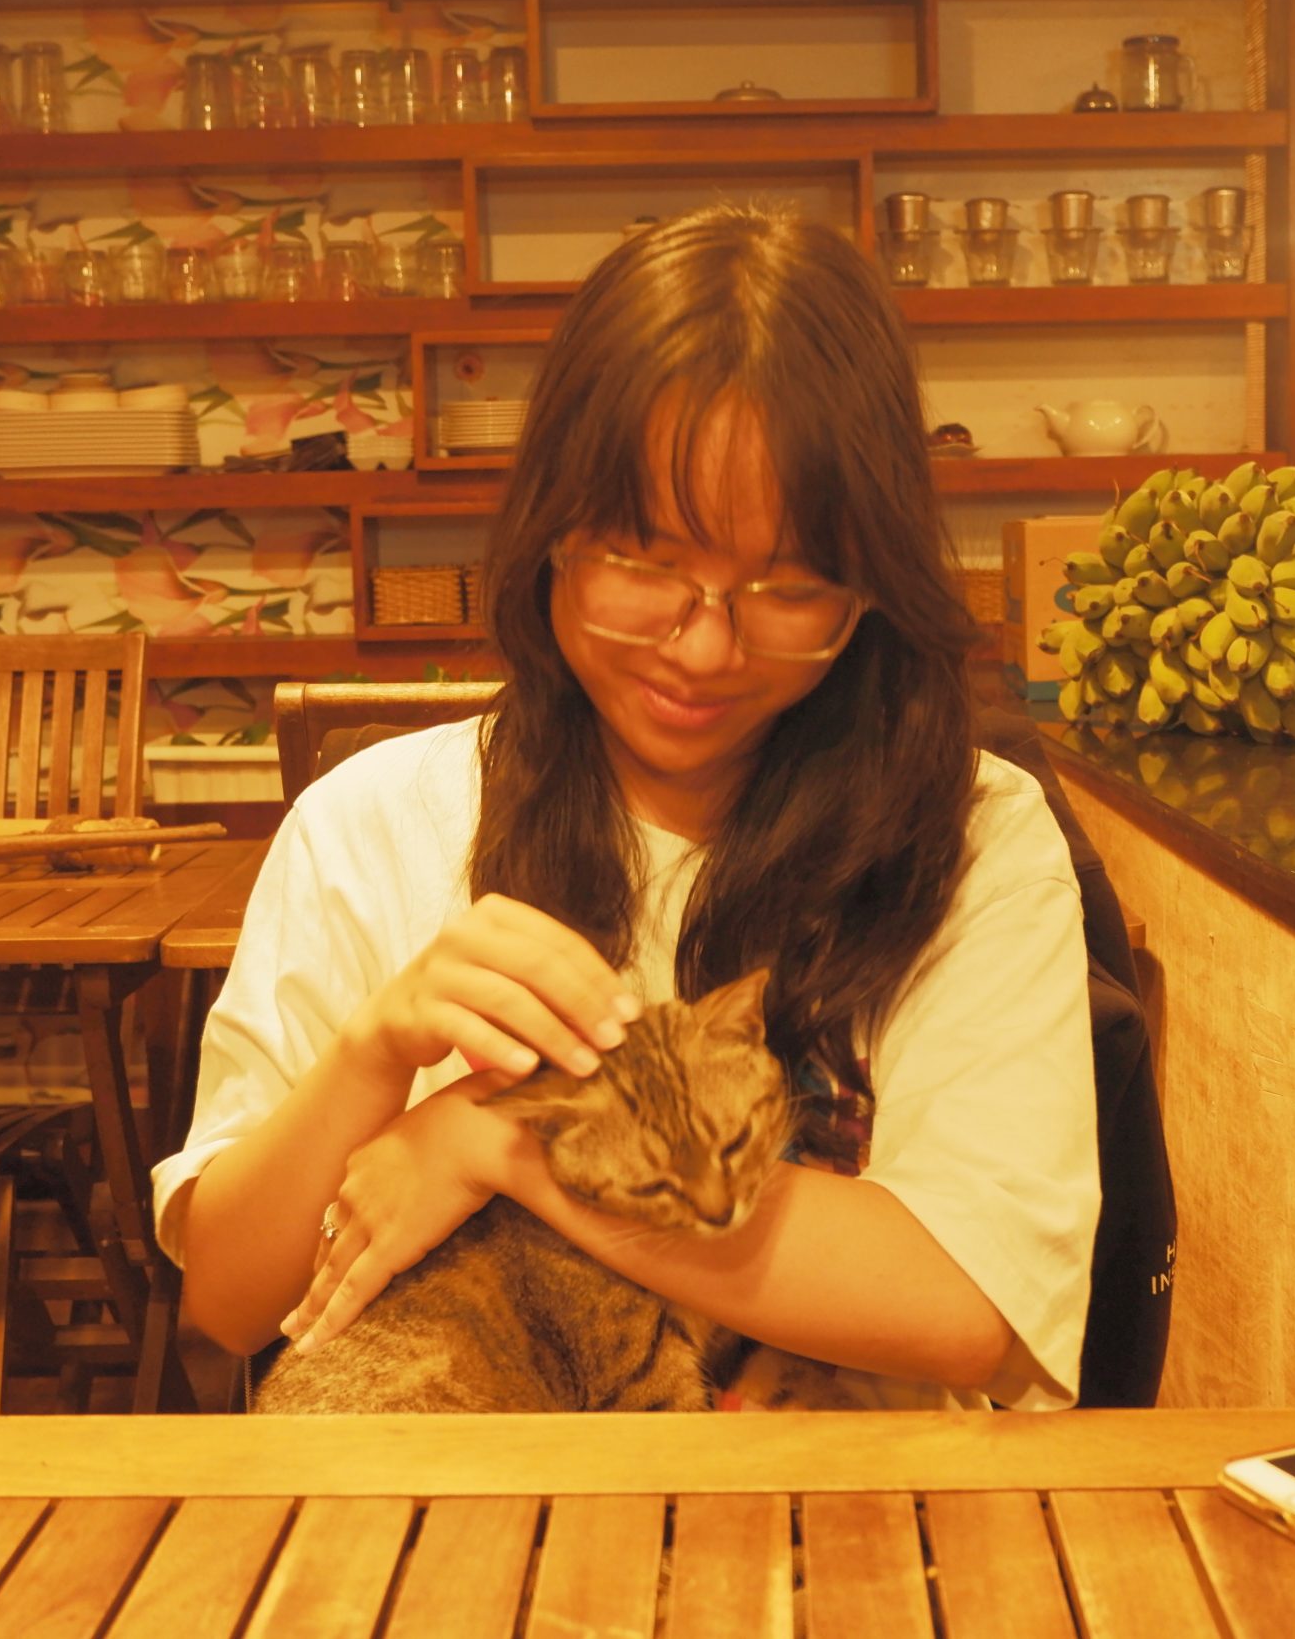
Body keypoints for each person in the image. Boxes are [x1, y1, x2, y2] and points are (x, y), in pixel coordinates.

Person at [155, 203, 1099, 1409]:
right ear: (551, 534)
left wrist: (499, 1144)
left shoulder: (968, 836)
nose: (703, 647)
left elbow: (961, 1305)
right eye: (646, 565)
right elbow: (229, 1302)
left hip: (841, 1526)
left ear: (870, 586)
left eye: (790, 586)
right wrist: (378, 1052)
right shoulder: (376, 824)